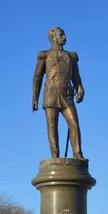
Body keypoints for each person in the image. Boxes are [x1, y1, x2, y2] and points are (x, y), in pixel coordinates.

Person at [32, 27, 85, 160]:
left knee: (74, 123)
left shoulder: (71, 56)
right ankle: (55, 156)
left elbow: (76, 77)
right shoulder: (45, 55)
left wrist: (80, 88)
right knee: (52, 125)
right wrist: (35, 98)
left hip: (67, 95)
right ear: (54, 38)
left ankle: (78, 154)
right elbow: (37, 77)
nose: (64, 36)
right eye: (61, 34)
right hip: (50, 94)